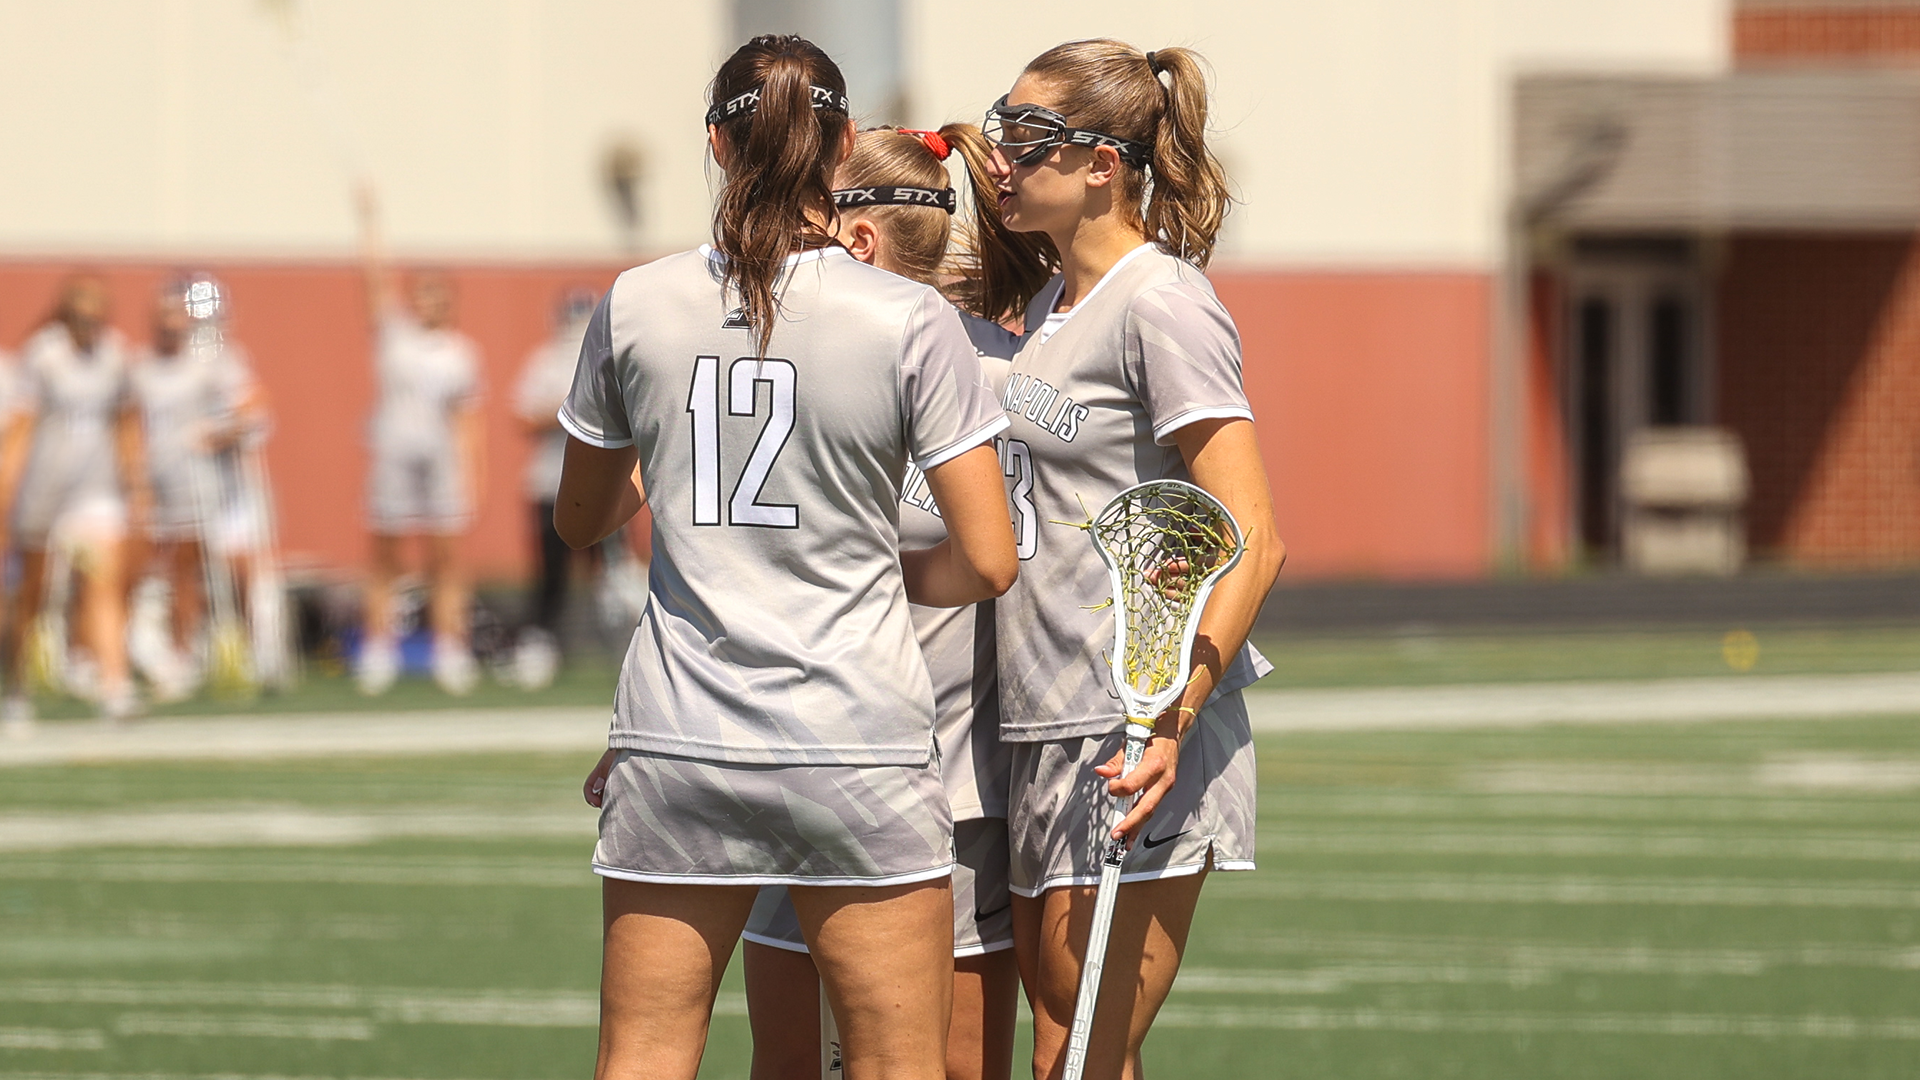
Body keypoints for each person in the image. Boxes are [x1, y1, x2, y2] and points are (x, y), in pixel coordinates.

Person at [562, 36, 1017, 1080]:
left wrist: (674, 461)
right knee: (898, 1063)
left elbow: (583, 518)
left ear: (717, 145)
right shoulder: (908, 315)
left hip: (680, 732)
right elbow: (989, 561)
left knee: (642, 1056)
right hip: (856, 735)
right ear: (844, 144)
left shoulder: (635, 300)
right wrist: (896, 576)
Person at [978, 41, 1287, 1079]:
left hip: (1133, 727)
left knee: (1075, 1053)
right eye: (1001, 129)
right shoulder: (1048, 305)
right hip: (1042, 720)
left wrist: (1171, 718)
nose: (1003, 157)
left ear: (1102, 164)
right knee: (1067, 1041)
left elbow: (1252, 532)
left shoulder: (1161, 301)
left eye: (1028, 136)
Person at [737, 124, 1024, 1080]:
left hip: (924, 772)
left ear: (859, 239)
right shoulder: (808, 363)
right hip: (840, 762)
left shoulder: (998, 372)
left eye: (808, 223)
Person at [0, 273, 148, 724]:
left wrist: (136, 482)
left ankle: (115, 687)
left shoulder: (115, 357)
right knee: (31, 596)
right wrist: (6, 488)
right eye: (82, 316)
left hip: (94, 492)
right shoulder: (43, 356)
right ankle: (17, 688)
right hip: (45, 490)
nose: (90, 325)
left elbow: (125, 421)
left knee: (102, 582)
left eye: (97, 316)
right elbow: (22, 426)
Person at [354, 187, 485, 696]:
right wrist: (370, 219)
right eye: (423, 293)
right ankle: (378, 647)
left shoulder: (461, 353)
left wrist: (474, 474)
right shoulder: (395, 337)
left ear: (450, 302)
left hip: (441, 462)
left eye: (438, 294)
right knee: (386, 554)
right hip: (393, 455)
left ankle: (449, 647)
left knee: (445, 557)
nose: (430, 301)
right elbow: (374, 279)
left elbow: (468, 420)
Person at [127, 275, 269, 701]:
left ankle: (249, 648)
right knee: (176, 567)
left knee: (232, 569)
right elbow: (129, 424)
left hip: (216, 486)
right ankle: (177, 653)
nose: (169, 323)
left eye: (177, 314)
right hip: (166, 485)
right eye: (163, 314)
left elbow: (253, 409)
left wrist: (218, 433)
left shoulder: (214, 361)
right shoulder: (141, 368)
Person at [508, 287, 645, 690]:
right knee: (551, 574)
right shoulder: (545, 360)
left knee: (615, 571)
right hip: (551, 483)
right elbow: (524, 416)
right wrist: (571, 411)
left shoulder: (611, 357)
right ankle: (541, 645)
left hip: (606, 482)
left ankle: (630, 642)